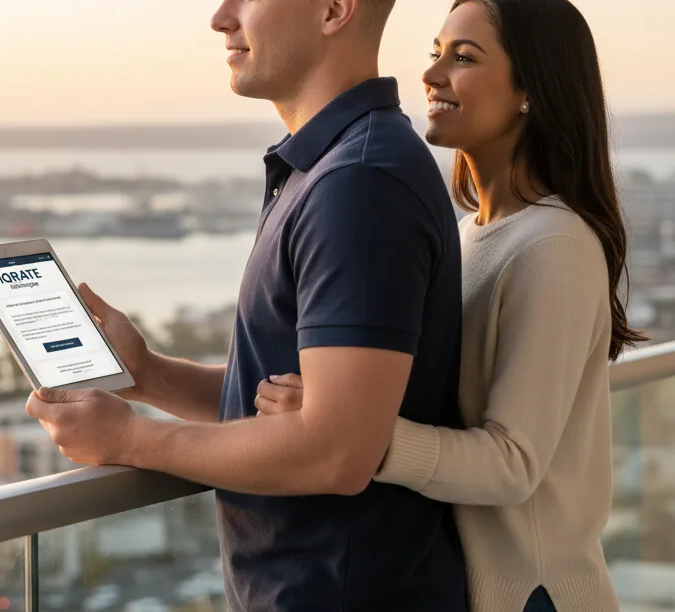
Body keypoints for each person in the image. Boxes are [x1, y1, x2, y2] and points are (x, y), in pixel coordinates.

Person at [26, 1, 469, 610]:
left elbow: (336, 451)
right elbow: (270, 402)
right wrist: (148, 375)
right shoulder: (327, 167)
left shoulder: (360, 184)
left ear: (335, 10)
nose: (220, 17)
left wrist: (130, 441)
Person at [255, 1, 644, 611]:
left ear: (530, 91)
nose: (432, 75)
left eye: (463, 58)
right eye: (435, 53)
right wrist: (149, 375)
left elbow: (512, 463)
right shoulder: (468, 234)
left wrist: (355, 440)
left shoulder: (555, 246)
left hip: (528, 595)